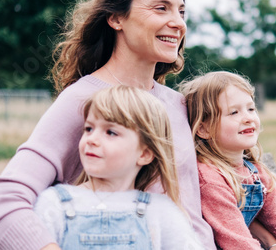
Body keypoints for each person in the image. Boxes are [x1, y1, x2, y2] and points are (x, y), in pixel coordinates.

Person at [0, 0, 216, 250]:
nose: (178, 23)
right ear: (116, 18)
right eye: (160, 8)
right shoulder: (83, 101)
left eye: (181, 11)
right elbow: (4, 204)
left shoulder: (177, 104)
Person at [33, 85, 203, 249]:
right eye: (89, 128)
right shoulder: (54, 205)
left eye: (111, 132)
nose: (91, 139)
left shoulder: (161, 213)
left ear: (144, 154)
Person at [179, 71, 276, 250]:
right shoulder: (209, 178)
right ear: (204, 129)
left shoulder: (257, 172)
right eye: (234, 112)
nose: (248, 118)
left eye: (251, 109)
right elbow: (239, 244)